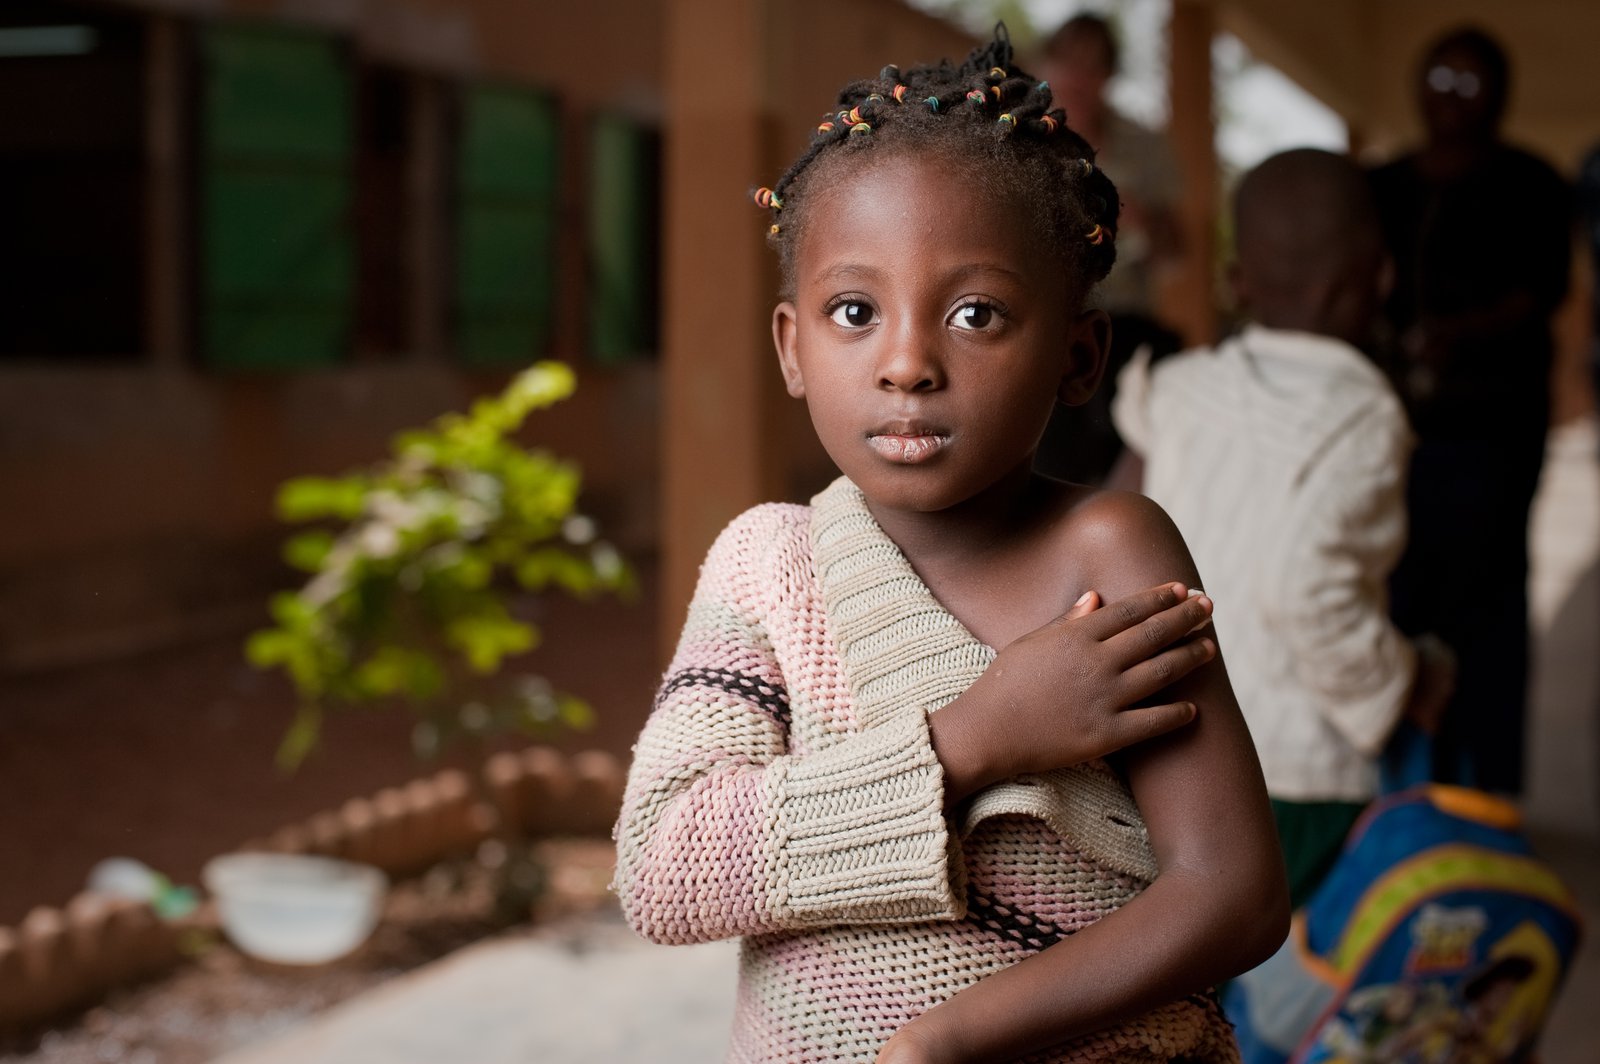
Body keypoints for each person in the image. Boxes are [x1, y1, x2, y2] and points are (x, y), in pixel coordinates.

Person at [614, 29, 1288, 1064]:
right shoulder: (769, 566)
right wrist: (978, 734)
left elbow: (1235, 895)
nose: (907, 364)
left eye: (976, 313)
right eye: (854, 310)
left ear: (1078, 353)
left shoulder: (1105, 550)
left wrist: (947, 1038)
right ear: (793, 347)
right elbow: (668, 867)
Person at [1111, 149, 1456, 912]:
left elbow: (1111, 527)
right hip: (1299, 778)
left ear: (1238, 284)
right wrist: (1402, 684)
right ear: (1383, 276)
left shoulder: (1175, 390)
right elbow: (1313, 596)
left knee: (1186, 965)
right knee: (1281, 985)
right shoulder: (1364, 419)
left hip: (1163, 754)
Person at [1368, 27, 1571, 795]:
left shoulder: (1531, 182)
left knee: (1485, 609)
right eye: (1440, 80)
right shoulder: (1381, 184)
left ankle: (1487, 794)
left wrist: (1458, 337)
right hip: (1393, 433)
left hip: (1492, 432)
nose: (1452, 101)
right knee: (1395, 596)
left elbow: (1540, 292)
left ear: (1502, 95)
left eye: (1471, 83)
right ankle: (1405, 794)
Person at [1032, 12, 1185, 485]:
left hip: (1124, 332)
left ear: (1109, 77)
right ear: (1046, 67)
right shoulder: (1021, 141)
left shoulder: (1144, 147)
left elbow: (1178, 257)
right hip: (1046, 325)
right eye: (1068, 63)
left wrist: (1139, 220)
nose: (1079, 77)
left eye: (1093, 67)